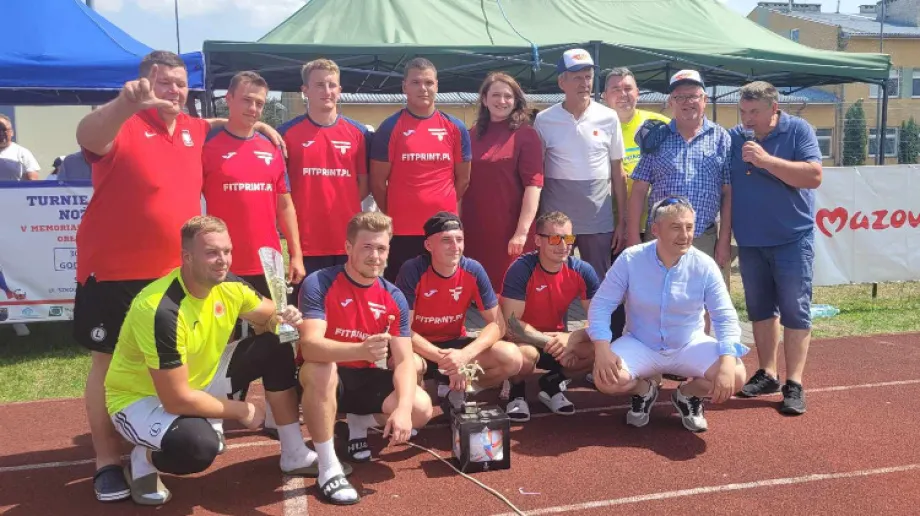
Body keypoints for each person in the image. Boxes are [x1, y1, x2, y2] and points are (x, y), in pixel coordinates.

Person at [74, 50, 282, 502]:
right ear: (145, 83)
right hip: (113, 271)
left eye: (180, 83)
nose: (173, 91)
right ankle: (106, 461)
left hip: (172, 274)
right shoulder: (121, 122)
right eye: (163, 82)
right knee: (107, 364)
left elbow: (210, 123)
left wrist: (256, 125)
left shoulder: (192, 128)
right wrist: (125, 103)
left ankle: (147, 445)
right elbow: (87, 134)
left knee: (173, 362)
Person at [105, 216, 319, 506]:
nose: (223, 260)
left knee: (276, 345)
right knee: (197, 447)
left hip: (200, 380)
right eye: (212, 253)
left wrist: (284, 319)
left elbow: (270, 317)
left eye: (227, 251)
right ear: (187, 257)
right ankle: (143, 458)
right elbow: (176, 399)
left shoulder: (229, 285)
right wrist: (241, 409)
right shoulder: (161, 310)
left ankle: (294, 452)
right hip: (144, 399)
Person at [297, 211, 433, 505]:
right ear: (348, 248)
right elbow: (310, 347)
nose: (375, 256)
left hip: (365, 376)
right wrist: (359, 349)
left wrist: (403, 410)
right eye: (367, 247)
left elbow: (405, 360)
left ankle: (358, 422)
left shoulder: (393, 295)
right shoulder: (320, 282)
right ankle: (328, 467)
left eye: (381, 248)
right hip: (325, 377)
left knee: (420, 408)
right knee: (321, 369)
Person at [587, 197, 748, 433]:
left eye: (689, 227)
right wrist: (602, 350)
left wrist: (727, 361)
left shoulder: (705, 265)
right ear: (655, 229)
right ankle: (644, 391)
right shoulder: (631, 259)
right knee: (605, 379)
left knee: (736, 374)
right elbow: (601, 305)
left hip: (688, 344)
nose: (685, 235)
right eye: (676, 227)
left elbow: (725, 316)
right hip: (640, 343)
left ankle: (688, 395)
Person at [729, 81, 823, 415]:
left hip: (792, 239)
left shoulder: (799, 130)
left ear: (774, 108)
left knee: (795, 309)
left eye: (754, 112)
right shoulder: (735, 137)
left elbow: (813, 176)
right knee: (760, 310)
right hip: (751, 241)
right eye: (743, 111)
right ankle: (768, 373)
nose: (747, 119)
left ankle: (794, 382)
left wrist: (767, 160)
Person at [626, 69, 732, 334]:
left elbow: (728, 193)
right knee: (653, 300)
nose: (687, 102)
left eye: (693, 96)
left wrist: (723, 241)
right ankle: (654, 356)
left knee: (706, 303)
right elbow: (639, 189)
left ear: (704, 99)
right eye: (680, 97)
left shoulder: (721, 138)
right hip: (660, 237)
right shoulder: (657, 138)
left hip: (704, 235)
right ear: (671, 102)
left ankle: (701, 355)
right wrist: (632, 236)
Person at [395, 212, 523, 411]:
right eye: (446, 240)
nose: (455, 246)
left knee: (512, 357)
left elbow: (498, 324)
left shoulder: (473, 269)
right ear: (429, 245)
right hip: (420, 349)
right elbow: (402, 330)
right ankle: (426, 395)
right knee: (406, 365)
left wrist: (465, 355)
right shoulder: (412, 270)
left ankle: (462, 389)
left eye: (459, 240)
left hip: (456, 345)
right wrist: (447, 360)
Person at [369, 57, 472, 282]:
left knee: (443, 289)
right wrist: (395, 212)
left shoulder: (455, 127)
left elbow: (463, 179)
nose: (423, 88)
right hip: (403, 230)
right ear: (404, 86)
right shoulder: (389, 128)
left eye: (428, 82)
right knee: (402, 292)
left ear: (437, 86)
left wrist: (441, 203)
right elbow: (377, 182)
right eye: (415, 82)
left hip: (443, 228)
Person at [533, 48, 628, 280]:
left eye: (588, 77)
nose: (584, 83)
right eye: (577, 77)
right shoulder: (544, 120)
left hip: (597, 220)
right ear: (561, 82)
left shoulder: (608, 117)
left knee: (598, 281)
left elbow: (618, 173)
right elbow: (537, 172)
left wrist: (622, 221)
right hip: (556, 220)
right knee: (554, 279)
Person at [500, 211, 600, 421]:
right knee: (525, 356)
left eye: (568, 238)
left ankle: (551, 384)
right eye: (555, 238)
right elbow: (511, 325)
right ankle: (517, 392)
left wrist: (572, 338)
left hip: (557, 339)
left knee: (597, 350)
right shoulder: (521, 269)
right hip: (524, 340)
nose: (563, 245)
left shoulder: (583, 271)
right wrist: (551, 342)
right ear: (538, 240)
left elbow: (600, 321)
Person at [278, 59, 370, 287]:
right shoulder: (285, 134)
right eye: (319, 85)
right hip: (306, 244)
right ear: (305, 90)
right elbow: (281, 191)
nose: (327, 91)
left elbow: (364, 185)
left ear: (340, 90)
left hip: (348, 242)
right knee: (308, 307)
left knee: (346, 306)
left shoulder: (359, 133)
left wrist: (341, 205)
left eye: (332, 85)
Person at [601, 66, 671, 344]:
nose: (623, 94)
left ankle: (654, 347)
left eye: (628, 88)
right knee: (616, 291)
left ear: (638, 93)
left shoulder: (658, 124)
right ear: (605, 95)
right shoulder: (598, 124)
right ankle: (615, 347)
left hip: (652, 225)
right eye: (616, 89)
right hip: (612, 225)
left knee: (652, 291)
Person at [462, 72, 544, 292]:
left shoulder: (526, 135)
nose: (502, 101)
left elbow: (533, 186)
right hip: (474, 230)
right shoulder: (470, 135)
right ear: (484, 99)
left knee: (509, 294)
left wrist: (521, 232)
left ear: (516, 101)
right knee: (477, 295)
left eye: (508, 96)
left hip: (509, 233)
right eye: (496, 95)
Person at [0, 114, 40, 180]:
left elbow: (33, 180)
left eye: (4, 129)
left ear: (12, 132)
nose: (1, 133)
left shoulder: (22, 153)